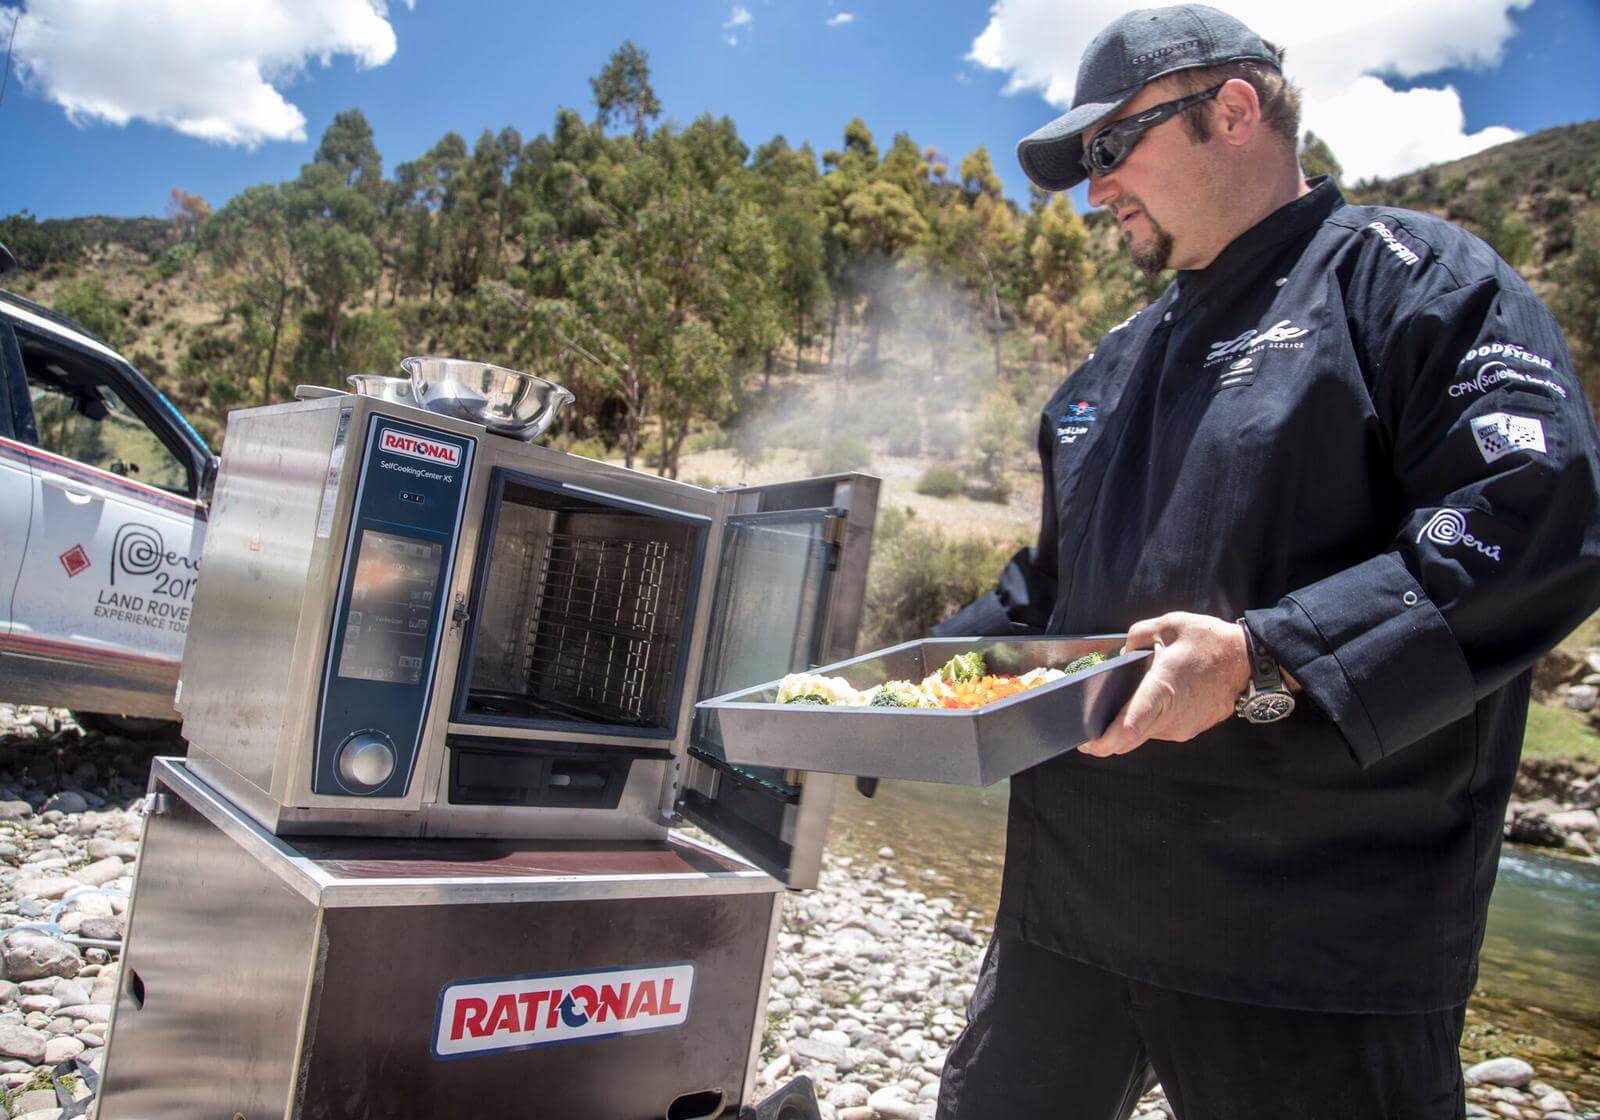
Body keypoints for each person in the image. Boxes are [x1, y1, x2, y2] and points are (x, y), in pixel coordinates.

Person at [932, 6, 1600, 1119]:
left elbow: (1531, 513)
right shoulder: (1104, 371)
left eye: (1108, 149)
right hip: (1070, 912)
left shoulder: (1418, 280)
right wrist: (892, 685)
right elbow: (1043, 597)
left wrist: (1262, 657)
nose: (1094, 191)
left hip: (1315, 946)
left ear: (1232, 110)